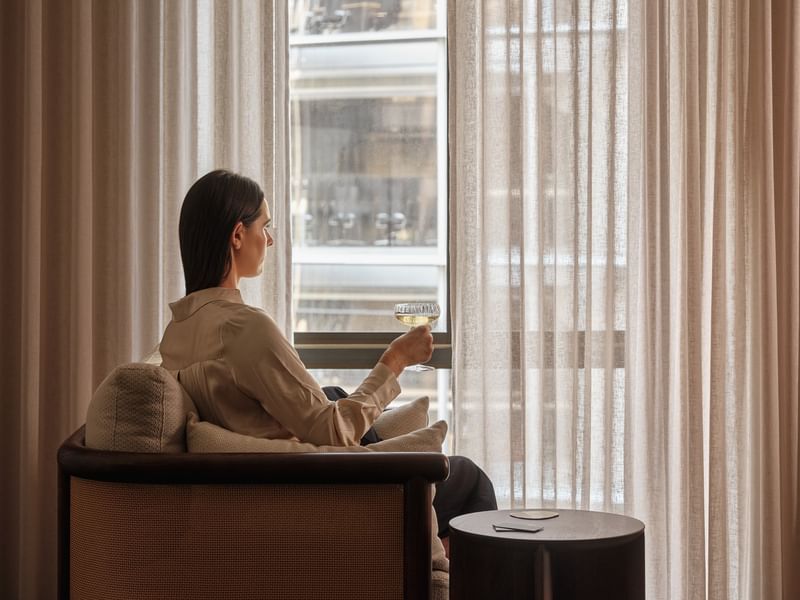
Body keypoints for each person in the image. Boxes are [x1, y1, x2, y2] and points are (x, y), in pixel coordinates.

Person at [159, 169, 496, 550]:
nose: (269, 239)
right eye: (264, 227)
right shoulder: (243, 328)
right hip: (315, 494)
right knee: (469, 477)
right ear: (237, 235)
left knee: (333, 392)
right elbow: (332, 432)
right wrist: (396, 359)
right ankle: (432, 572)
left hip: (257, 492)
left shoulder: (176, 332)